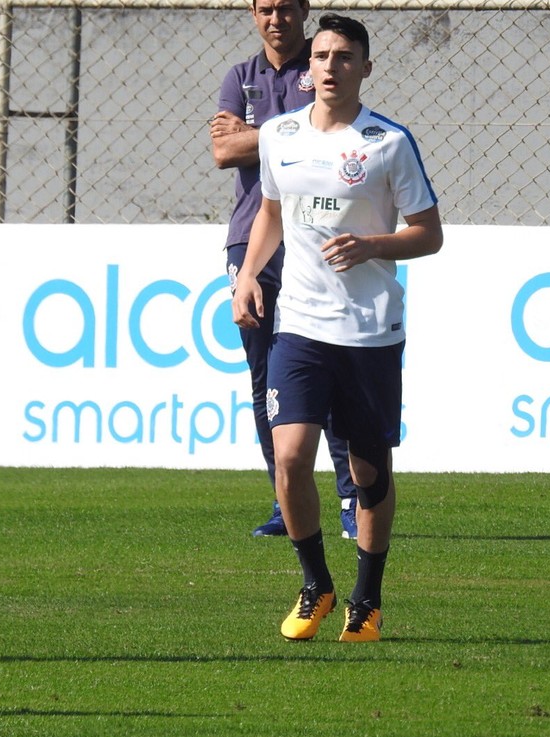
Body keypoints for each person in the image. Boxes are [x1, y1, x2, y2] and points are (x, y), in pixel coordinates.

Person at [231, 13, 443, 642]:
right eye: (321, 56)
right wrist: (247, 274)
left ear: (364, 69)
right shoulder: (279, 136)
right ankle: (315, 583)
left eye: (344, 57)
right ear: (308, 71)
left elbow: (429, 234)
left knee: (368, 471)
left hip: (369, 331)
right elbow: (271, 209)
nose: (329, 66)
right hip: (299, 324)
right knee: (291, 456)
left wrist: (374, 245)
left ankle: (367, 598)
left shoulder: (388, 142)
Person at [210, 0, 358, 540]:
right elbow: (224, 151)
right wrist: (287, 131)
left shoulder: (322, 62)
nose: (276, 19)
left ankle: (349, 498)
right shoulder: (240, 76)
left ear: (305, 11)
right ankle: (286, 502)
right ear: (254, 14)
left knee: (332, 367)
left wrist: (259, 133)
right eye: (265, 9)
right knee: (263, 376)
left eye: (286, 9)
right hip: (251, 239)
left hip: (312, 236)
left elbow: (329, 133)